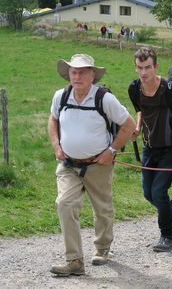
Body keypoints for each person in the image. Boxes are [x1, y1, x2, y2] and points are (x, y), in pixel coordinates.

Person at [47, 54, 135, 276]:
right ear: (68, 74)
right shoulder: (61, 96)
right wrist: (57, 145)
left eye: (82, 72)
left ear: (92, 75)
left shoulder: (104, 99)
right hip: (68, 164)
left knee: (102, 208)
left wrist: (111, 151)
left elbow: (129, 125)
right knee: (64, 204)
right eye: (73, 72)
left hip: (98, 164)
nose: (77, 76)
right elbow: (53, 119)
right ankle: (74, 261)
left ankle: (103, 247)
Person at [128, 47, 172, 252]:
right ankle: (171, 213)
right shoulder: (134, 89)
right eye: (140, 68)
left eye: (147, 67)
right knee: (148, 194)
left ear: (156, 66)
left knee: (158, 192)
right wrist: (137, 127)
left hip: (170, 147)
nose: (143, 72)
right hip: (149, 147)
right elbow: (140, 110)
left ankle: (167, 236)